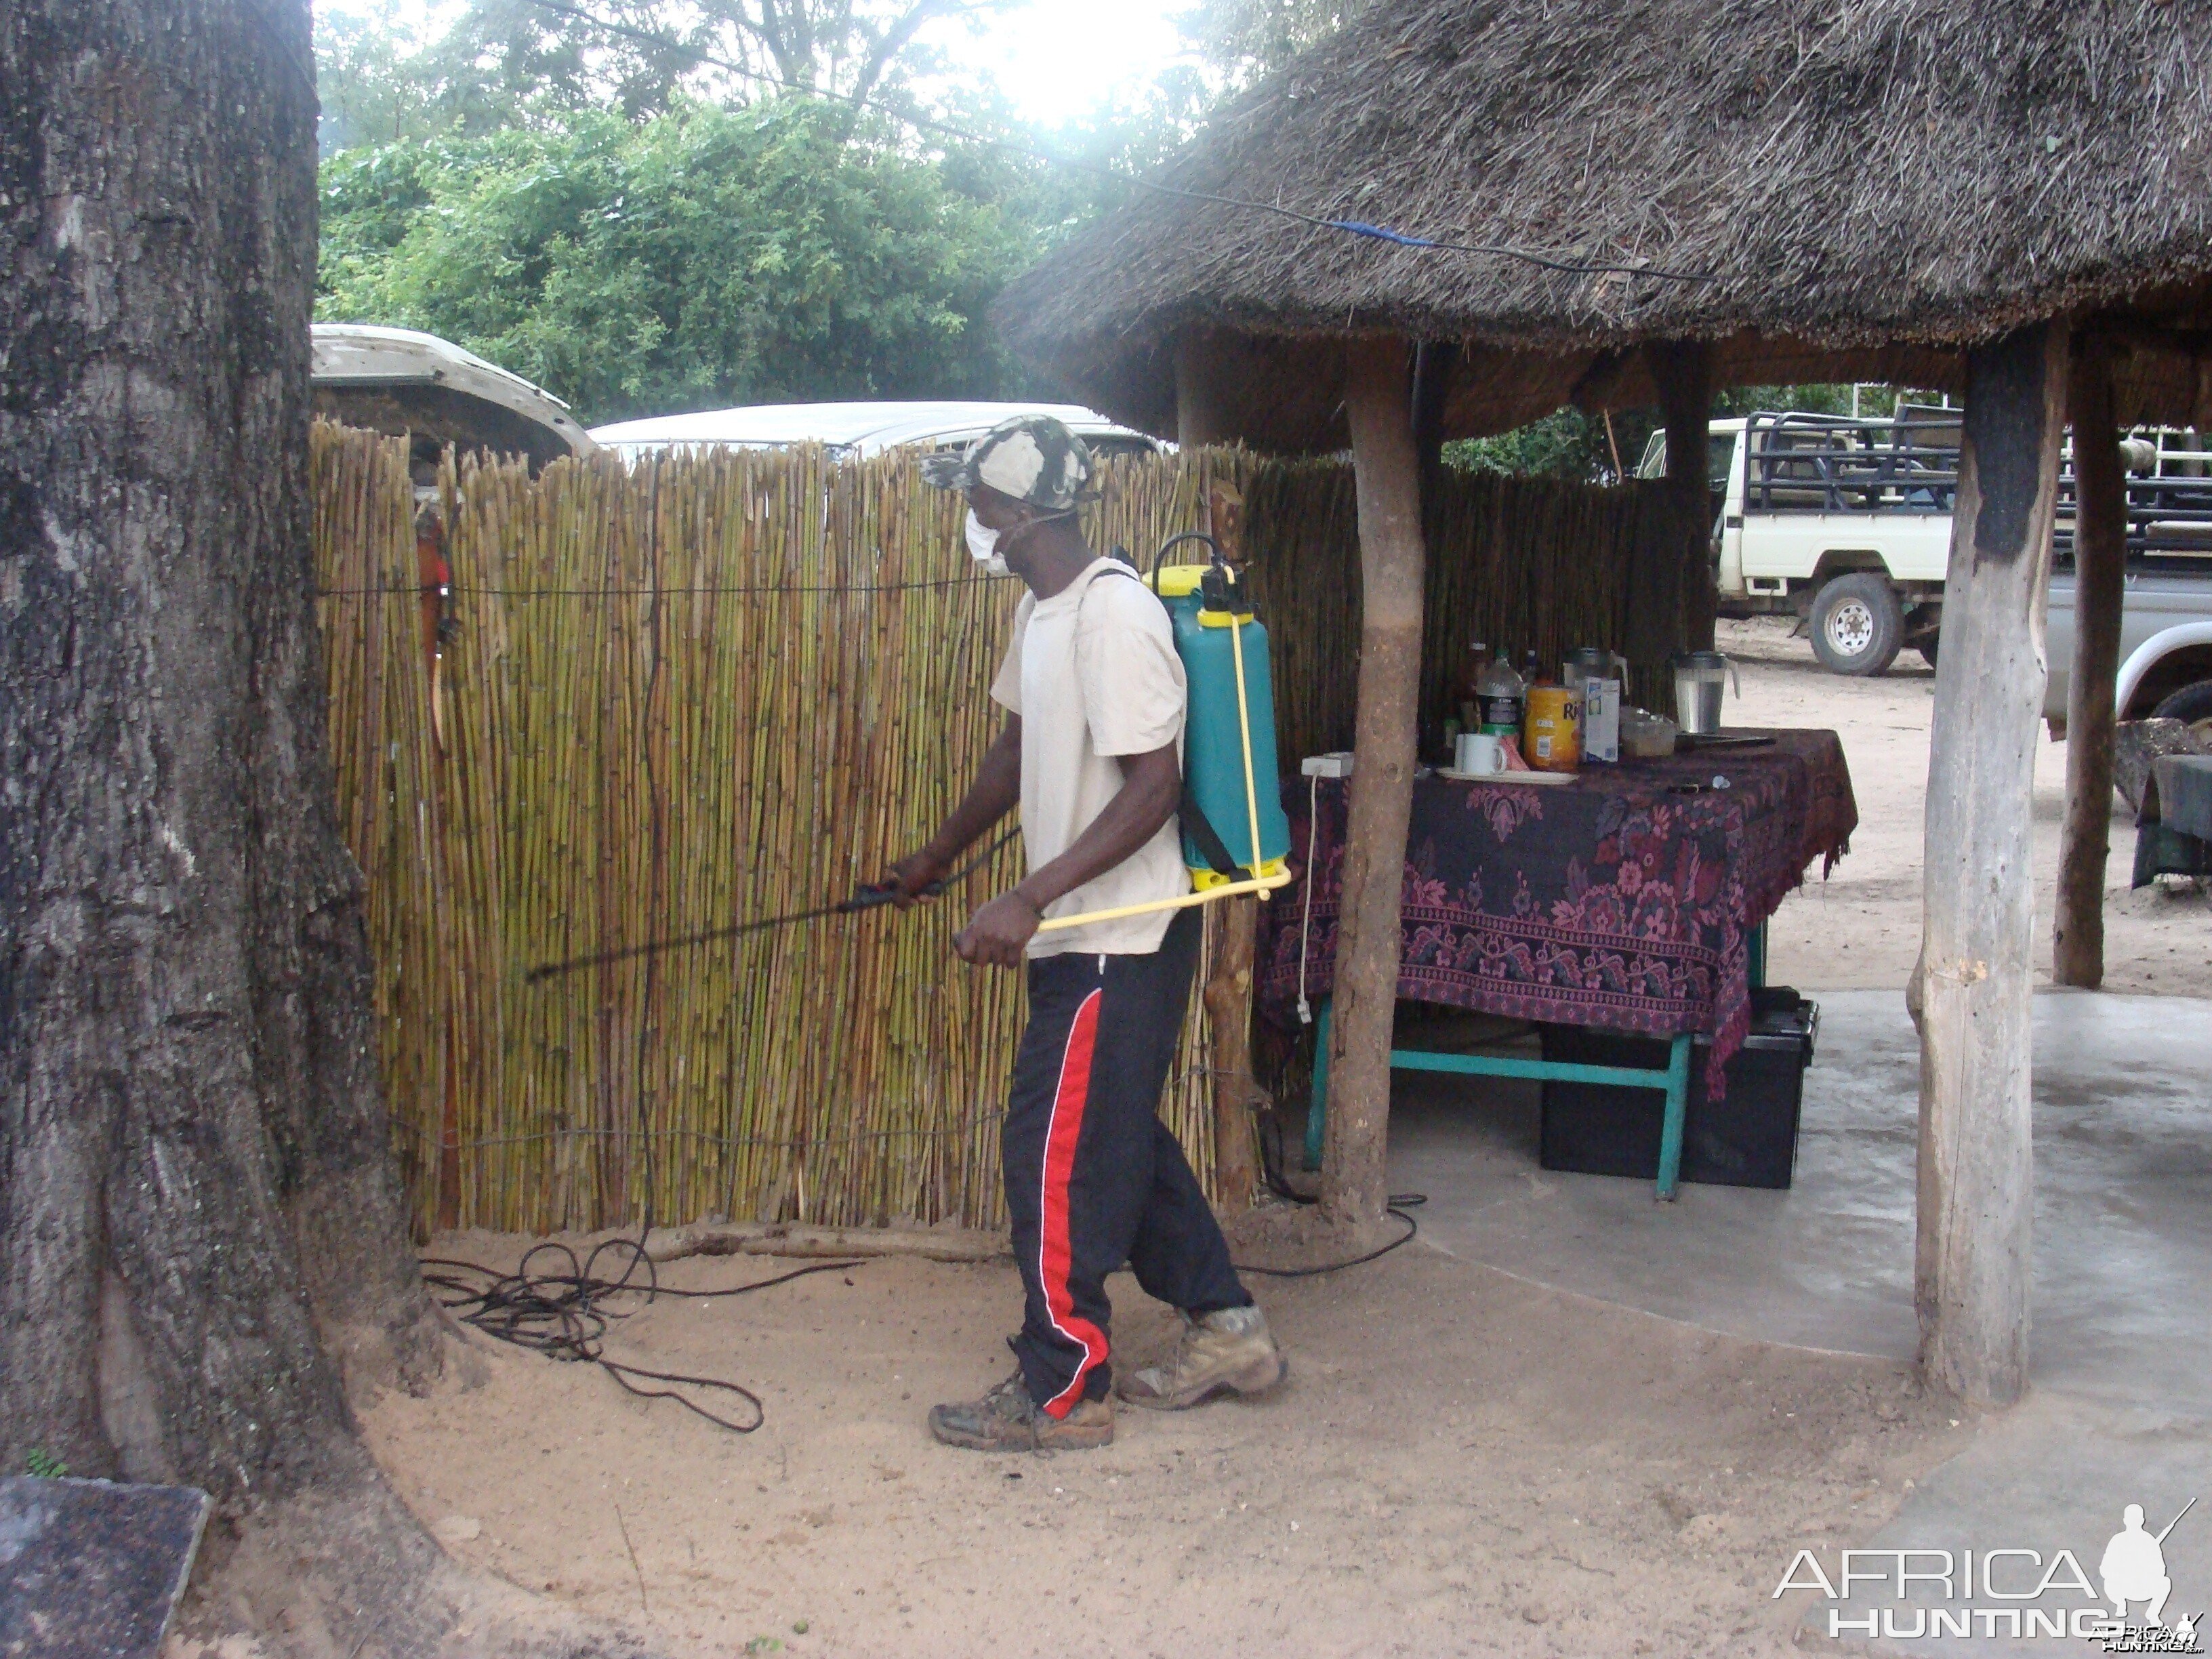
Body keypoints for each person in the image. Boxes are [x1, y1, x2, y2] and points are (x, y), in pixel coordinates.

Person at [885, 414, 1286, 1452]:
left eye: (977, 503)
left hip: (1121, 934)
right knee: (1112, 1137)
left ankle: (1066, 1387)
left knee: (1050, 1153)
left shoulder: (1115, 616)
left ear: (1015, 512)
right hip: (1081, 930)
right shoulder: (1044, 615)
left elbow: (1153, 789)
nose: (970, 520)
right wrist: (935, 859)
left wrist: (1029, 897)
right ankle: (1229, 1328)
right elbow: (1013, 754)